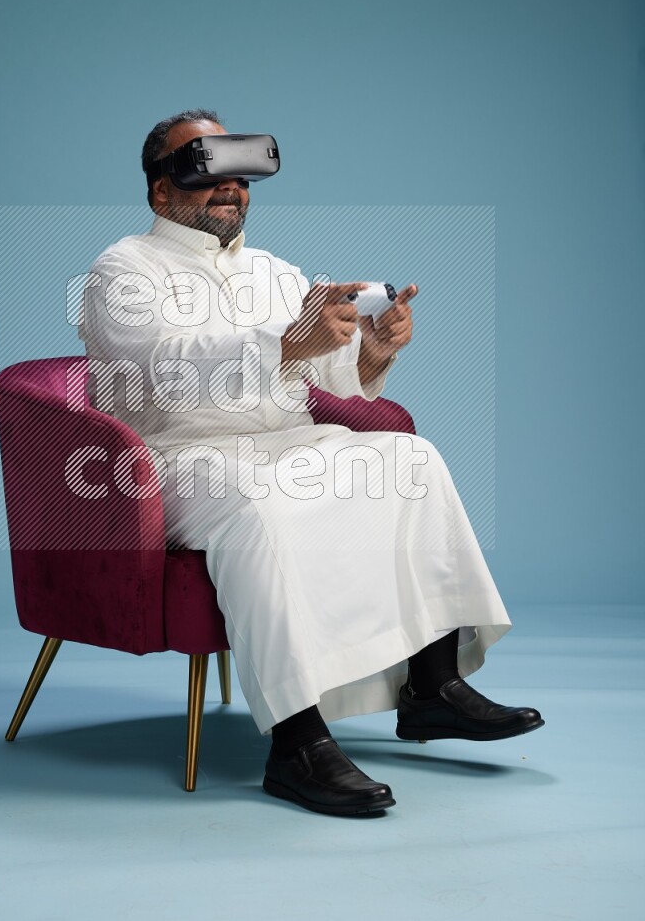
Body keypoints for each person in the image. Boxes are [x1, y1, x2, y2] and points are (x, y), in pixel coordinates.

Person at [79, 108, 544, 817]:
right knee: (260, 507)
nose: (229, 188)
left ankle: (432, 685)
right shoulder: (121, 270)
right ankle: (297, 743)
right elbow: (158, 369)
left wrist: (373, 348)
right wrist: (283, 344)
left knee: (410, 464)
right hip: (178, 458)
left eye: (240, 174)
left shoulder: (274, 270)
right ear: (160, 191)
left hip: (285, 438)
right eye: (206, 172)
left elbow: (328, 378)